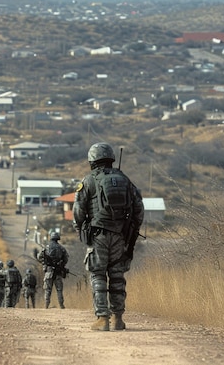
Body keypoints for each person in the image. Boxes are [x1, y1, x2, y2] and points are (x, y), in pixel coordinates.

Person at [73, 142, 144, 331]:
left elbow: (78, 211)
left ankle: (102, 318)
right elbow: (139, 209)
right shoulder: (125, 180)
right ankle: (118, 318)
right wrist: (131, 231)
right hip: (120, 236)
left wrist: (81, 229)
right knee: (117, 276)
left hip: (98, 235)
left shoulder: (88, 180)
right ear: (111, 158)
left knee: (98, 275)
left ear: (92, 160)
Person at [37, 232, 69, 309]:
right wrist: (61, 265)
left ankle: (46, 305)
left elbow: (39, 257)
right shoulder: (61, 248)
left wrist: (44, 263)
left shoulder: (46, 247)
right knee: (59, 289)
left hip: (49, 271)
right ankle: (61, 305)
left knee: (48, 289)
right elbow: (66, 258)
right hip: (58, 272)